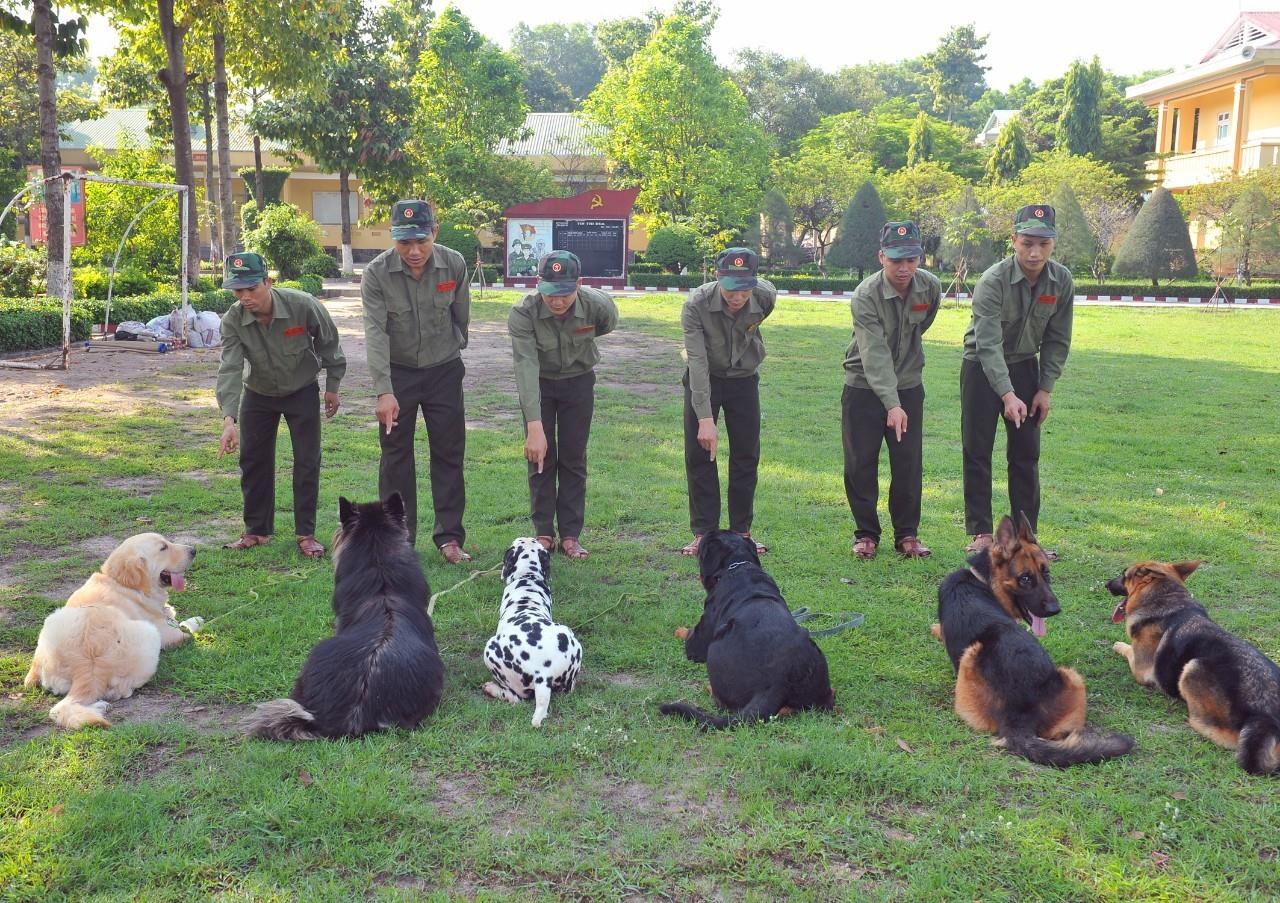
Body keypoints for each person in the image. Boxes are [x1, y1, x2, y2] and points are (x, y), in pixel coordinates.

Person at [361, 199, 472, 563]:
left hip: (443, 370)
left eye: (421, 241)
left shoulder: (454, 263)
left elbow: (461, 315)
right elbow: (375, 332)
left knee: (449, 453)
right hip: (398, 373)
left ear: (434, 232)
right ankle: (399, 540)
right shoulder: (377, 273)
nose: (413, 251)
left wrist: (454, 348)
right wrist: (384, 390)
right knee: (395, 458)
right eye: (404, 242)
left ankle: (450, 538)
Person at [961, 204, 1074, 559]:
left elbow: (1058, 339)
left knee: (1026, 454)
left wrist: (1044, 388)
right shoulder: (992, 281)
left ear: (1053, 242)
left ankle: (1027, 537)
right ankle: (981, 532)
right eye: (1027, 242)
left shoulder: (1061, 281)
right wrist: (1007, 394)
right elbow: (988, 343)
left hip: (1027, 366)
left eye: (1043, 243)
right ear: (1014, 240)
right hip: (981, 367)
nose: (1034, 251)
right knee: (978, 450)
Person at [216, 252, 345, 558]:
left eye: (252, 289)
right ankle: (256, 531)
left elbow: (330, 344)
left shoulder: (303, 305)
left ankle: (306, 534)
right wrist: (228, 420)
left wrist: (333, 388)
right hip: (258, 393)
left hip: (301, 389)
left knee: (306, 460)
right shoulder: (233, 320)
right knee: (253, 461)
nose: (245, 297)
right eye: (238, 291)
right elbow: (230, 368)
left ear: (268, 282)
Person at [508, 250, 619, 560]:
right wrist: (534, 426)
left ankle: (571, 535)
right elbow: (525, 366)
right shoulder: (523, 312)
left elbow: (607, 325)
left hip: (578, 381)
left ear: (579, 284)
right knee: (540, 456)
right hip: (539, 383)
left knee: (573, 457)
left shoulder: (598, 306)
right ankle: (543, 532)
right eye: (549, 293)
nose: (557, 302)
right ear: (537, 283)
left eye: (565, 294)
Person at [842, 221, 941, 560]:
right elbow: (874, 353)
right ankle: (866, 534)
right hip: (864, 386)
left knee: (908, 462)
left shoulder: (929, 288)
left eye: (911, 260)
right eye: (896, 260)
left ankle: (908, 534)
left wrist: (901, 398)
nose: (904, 268)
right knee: (861, 462)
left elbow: (921, 326)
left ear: (920, 259)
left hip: (909, 385)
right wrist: (891, 404)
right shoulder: (865, 296)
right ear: (881, 256)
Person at [679, 247, 776, 557]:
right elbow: (696, 361)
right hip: (704, 378)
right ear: (718, 277)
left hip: (744, 380)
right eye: (732, 288)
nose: (738, 297)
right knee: (700, 454)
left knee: (746, 454)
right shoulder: (696, 305)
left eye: (745, 288)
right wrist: (705, 420)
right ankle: (705, 533)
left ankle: (741, 530)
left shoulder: (763, 297)